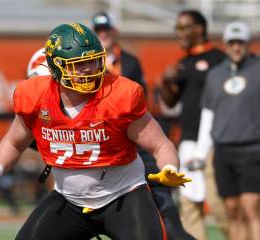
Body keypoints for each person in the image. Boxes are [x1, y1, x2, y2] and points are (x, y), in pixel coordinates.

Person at [0, 23, 190, 240]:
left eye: (93, 61)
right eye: (78, 64)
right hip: (70, 200)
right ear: (55, 67)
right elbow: (14, 142)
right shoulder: (36, 96)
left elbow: (161, 144)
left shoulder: (118, 95)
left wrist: (169, 167)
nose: (89, 69)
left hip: (123, 196)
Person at [92, 11, 196, 240]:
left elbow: (139, 103)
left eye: (106, 30)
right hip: (105, 152)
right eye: (98, 31)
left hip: (136, 144)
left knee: (164, 214)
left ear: (114, 31)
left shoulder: (129, 61)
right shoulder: (86, 66)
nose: (103, 35)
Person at [159, 10, 226, 240]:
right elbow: (170, 102)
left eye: (184, 27)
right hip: (188, 140)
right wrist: (166, 82)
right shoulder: (182, 63)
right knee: (189, 207)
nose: (179, 33)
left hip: (214, 141)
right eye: (177, 28)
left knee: (220, 205)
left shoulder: (219, 59)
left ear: (200, 28)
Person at [194, 21, 260, 240]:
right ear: (226, 44)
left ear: (248, 44)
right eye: (232, 42)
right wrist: (201, 154)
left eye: (240, 42)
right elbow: (208, 115)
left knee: (251, 209)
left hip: (253, 149)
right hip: (223, 151)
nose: (236, 47)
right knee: (231, 210)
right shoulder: (215, 75)